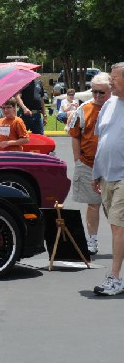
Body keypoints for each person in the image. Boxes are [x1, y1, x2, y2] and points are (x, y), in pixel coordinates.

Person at [67, 73, 111, 255]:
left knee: (115, 206)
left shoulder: (117, 107)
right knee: (93, 204)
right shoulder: (84, 109)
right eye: (94, 92)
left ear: (111, 90)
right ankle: (91, 240)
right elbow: (75, 136)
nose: (98, 96)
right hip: (88, 164)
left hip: (113, 166)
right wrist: (77, 160)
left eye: (102, 92)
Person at [91, 62, 124, 296]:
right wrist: (96, 173)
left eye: (115, 78)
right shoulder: (109, 104)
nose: (110, 81)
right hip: (106, 177)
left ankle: (114, 277)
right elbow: (101, 141)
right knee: (118, 228)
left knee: (117, 227)